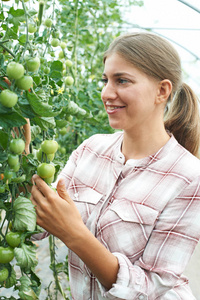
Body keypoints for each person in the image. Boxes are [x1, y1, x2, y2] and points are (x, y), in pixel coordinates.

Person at [30, 32, 200, 300]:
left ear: (162, 90)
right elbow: (41, 219)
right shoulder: (91, 149)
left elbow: (150, 287)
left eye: (122, 80)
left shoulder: (189, 177)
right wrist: (20, 155)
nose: (107, 93)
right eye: (105, 80)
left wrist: (75, 235)